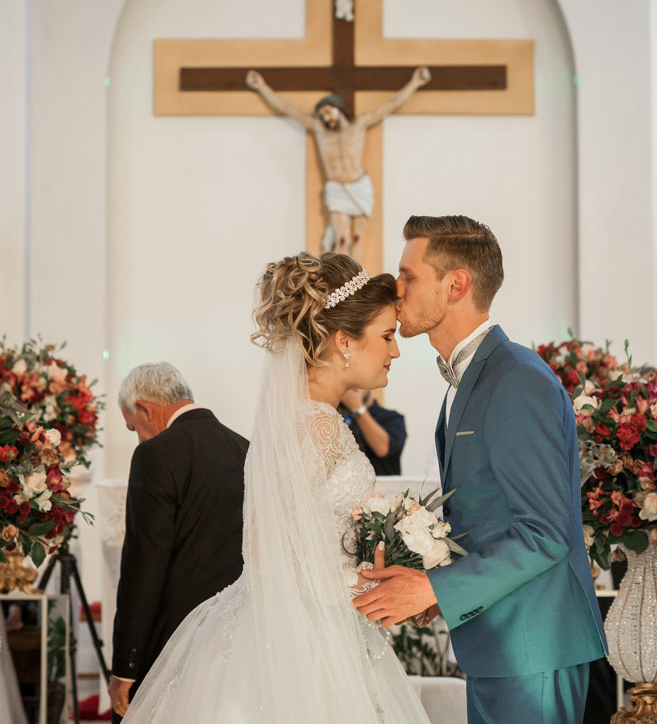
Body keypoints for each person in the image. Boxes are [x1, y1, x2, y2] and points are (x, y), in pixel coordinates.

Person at [120, 252, 434, 724]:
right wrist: (374, 588)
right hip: (299, 634)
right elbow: (276, 556)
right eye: (387, 336)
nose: (395, 351)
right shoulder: (315, 427)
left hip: (311, 622)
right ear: (344, 341)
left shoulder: (314, 421)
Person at [353, 215, 607, 724]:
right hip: (501, 643)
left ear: (456, 285)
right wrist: (438, 586)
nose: (395, 289)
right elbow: (489, 518)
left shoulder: (516, 379)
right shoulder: (472, 380)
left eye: (408, 276)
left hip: (533, 646)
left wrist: (432, 588)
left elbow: (545, 534)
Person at [108, 364, 248, 722]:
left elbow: (143, 566)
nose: (138, 439)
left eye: (133, 427)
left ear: (145, 410)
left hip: (172, 642)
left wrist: (125, 666)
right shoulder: (245, 449)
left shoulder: (156, 454)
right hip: (238, 636)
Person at [245, 67, 431, 258]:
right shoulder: (319, 129)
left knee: (357, 237)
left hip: (359, 185)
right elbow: (287, 108)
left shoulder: (359, 125)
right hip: (336, 188)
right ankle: (338, 275)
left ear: (339, 108)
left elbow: (391, 105)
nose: (325, 117)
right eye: (322, 115)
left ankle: (358, 275)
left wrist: (415, 83)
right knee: (342, 238)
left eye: (327, 112)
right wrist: (261, 86)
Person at [340, 388, 406, 475]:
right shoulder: (335, 418)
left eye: (355, 388)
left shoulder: (392, 418)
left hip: (381, 481)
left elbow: (383, 449)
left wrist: (357, 409)